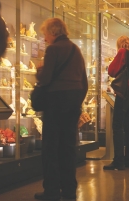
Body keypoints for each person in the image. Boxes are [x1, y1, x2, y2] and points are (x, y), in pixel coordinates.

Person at [34, 18, 88, 200]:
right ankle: (69, 190)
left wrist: (39, 69)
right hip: (72, 104)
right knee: (68, 147)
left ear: (54, 32)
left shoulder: (53, 50)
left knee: (51, 148)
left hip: (55, 103)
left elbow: (45, 79)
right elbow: (84, 82)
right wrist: (77, 102)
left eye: (45, 34)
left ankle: (51, 190)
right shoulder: (75, 49)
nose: (45, 38)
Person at [103, 36, 129, 170]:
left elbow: (112, 71)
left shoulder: (122, 52)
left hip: (124, 92)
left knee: (117, 126)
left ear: (120, 45)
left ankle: (118, 160)